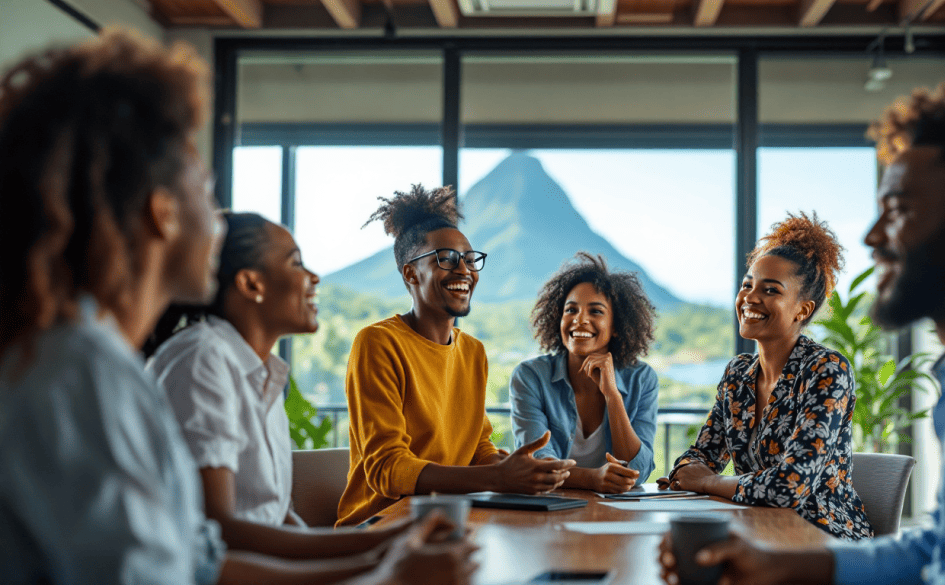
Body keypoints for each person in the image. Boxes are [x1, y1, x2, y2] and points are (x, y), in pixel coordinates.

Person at [0, 29, 476, 585]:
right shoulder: (81, 373)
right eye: (206, 188)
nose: (220, 219)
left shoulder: (92, 359)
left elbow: (199, 562)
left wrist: (379, 559)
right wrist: (381, 575)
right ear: (163, 213)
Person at [659, 85, 945, 585]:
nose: (873, 236)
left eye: (897, 210)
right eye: (748, 285)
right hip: (774, 534)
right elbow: (943, 545)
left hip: (816, 526)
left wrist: (714, 483)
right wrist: (781, 565)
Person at [147, 211, 420, 559]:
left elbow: (278, 516)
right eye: (296, 264)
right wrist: (377, 544)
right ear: (251, 284)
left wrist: (366, 553)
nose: (314, 277)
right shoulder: (203, 359)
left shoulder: (263, 374)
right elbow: (218, 530)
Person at [337, 184, 576, 526]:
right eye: (446, 259)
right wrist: (497, 479)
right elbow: (387, 470)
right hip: (381, 525)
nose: (464, 270)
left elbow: (477, 449)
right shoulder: (377, 343)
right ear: (411, 273)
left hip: (450, 520)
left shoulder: (473, 351)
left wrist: (521, 471)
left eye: (469, 258)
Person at [659, 213, 872, 540]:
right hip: (755, 531)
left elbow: (789, 486)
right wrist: (691, 472)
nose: (750, 298)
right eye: (747, 285)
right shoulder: (737, 375)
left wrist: (708, 482)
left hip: (823, 538)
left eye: (770, 290)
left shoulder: (826, 370)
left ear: (802, 310)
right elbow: (697, 458)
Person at [509, 252, 658, 493]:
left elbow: (637, 470)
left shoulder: (642, 379)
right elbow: (535, 462)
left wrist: (612, 396)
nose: (579, 320)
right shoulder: (530, 377)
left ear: (617, 327)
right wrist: (592, 479)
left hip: (616, 514)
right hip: (549, 510)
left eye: (595, 311)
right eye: (571, 310)